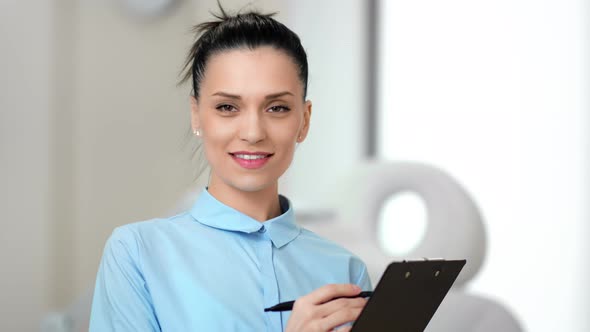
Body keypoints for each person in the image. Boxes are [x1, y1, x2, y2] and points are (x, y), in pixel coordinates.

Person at [89, 6, 371, 332]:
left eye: (277, 107)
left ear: (304, 121)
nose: (252, 132)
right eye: (227, 107)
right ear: (197, 115)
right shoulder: (137, 253)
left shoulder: (346, 273)